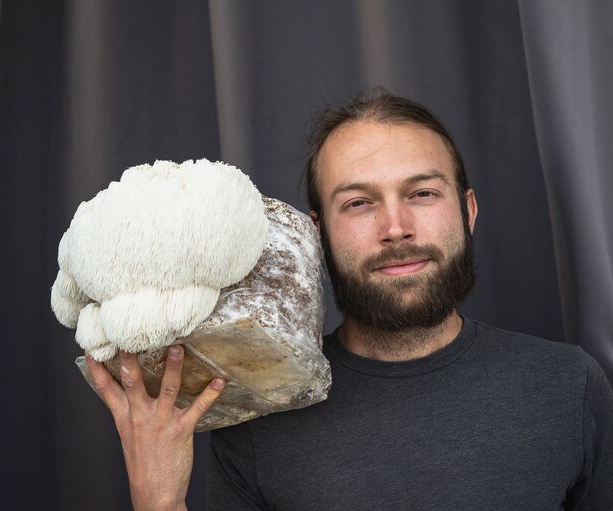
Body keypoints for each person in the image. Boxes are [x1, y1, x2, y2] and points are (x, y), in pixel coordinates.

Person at [86, 88, 613, 510]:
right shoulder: (260, 409)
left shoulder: (566, 384)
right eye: (359, 203)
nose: (396, 227)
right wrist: (159, 500)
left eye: (423, 193)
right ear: (318, 234)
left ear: (468, 212)